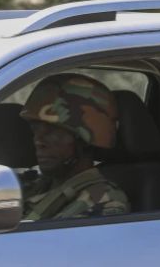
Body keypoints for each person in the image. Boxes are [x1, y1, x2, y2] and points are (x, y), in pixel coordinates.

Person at [18, 73, 130, 220]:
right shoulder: (35, 186)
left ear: (84, 140)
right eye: (35, 129)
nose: (38, 141)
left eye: (52, 131)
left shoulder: (103, 200)